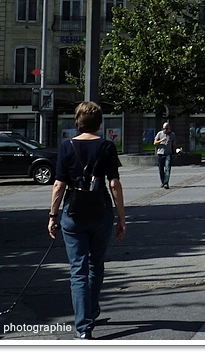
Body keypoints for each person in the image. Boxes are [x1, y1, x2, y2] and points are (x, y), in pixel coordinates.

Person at [48, 101, 126, 340]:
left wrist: (52, 216)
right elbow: (113, 184)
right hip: (100, 211)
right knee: (96, 265)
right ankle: (90, 310)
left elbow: (59, 185)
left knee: (77, 270)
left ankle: (84, 327)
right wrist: (121, 218)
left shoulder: (66, 146)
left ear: (77, 122)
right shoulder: (107, 147)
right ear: (99, 123)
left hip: (73, 213)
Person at [154, 121, 176, 189]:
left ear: (169, 128)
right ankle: (163, 182)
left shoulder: (172, 135)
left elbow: (174, 144)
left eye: (167, 128)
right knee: (161, 169)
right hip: (160, 153)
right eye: (164, 128)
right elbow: (155, 143)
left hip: (168, 154)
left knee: (167, 168)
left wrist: (175, 153)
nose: (165, 130)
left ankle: (166, 183)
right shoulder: (159, 134)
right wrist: (161, 140)